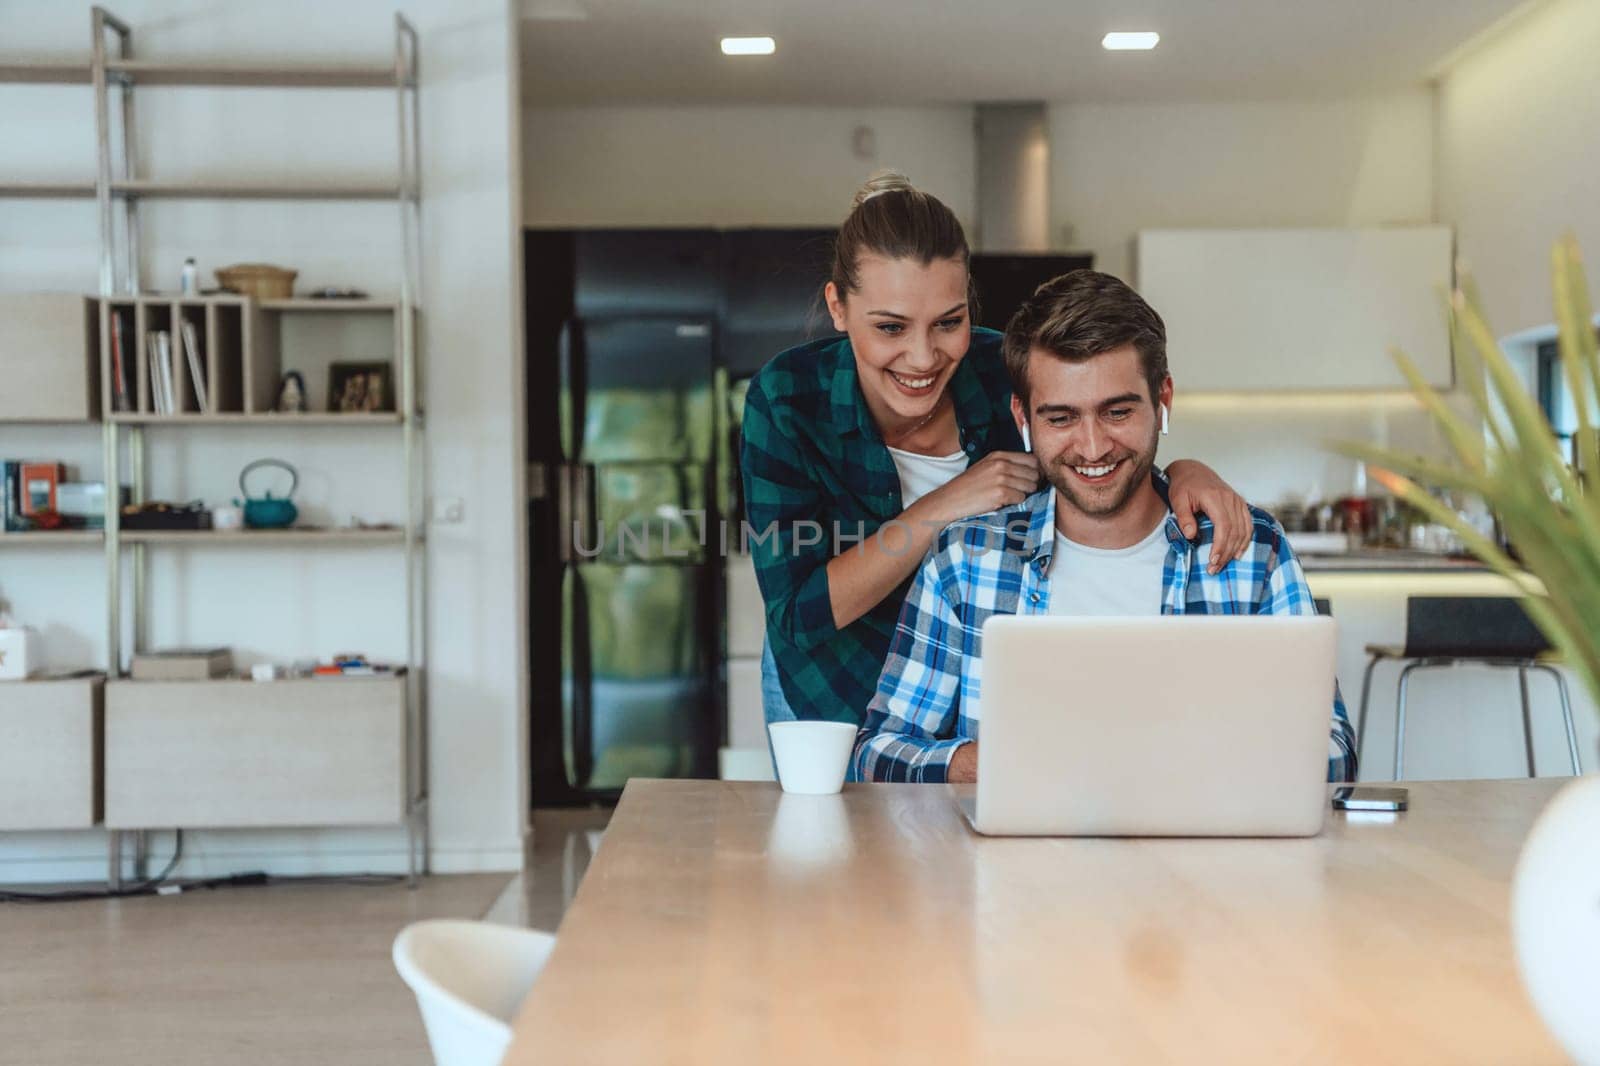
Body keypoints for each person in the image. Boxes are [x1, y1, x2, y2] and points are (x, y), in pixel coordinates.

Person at [740, 173, 1254, 752]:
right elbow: (799, 615)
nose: (923, 357)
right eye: (890, 327)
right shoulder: (786, 399)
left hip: (977, 691)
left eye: (949, 322)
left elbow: (1091, 457)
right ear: (839, 307)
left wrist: (1182, 471)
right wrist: (948, 504)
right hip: (831, 688)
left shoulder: (999, 368)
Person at [851, 269, 1357, 784]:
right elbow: (878, 754)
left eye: (1116, 412)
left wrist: (1190, 761)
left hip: (1205, 862)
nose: (1093, 449)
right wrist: (983, 764)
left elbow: (1333, 751)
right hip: (1015, 863)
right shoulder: (966, 560)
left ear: (1164, 399)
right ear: (1022, 416)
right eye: (1061, 419)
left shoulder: (1251, 551)